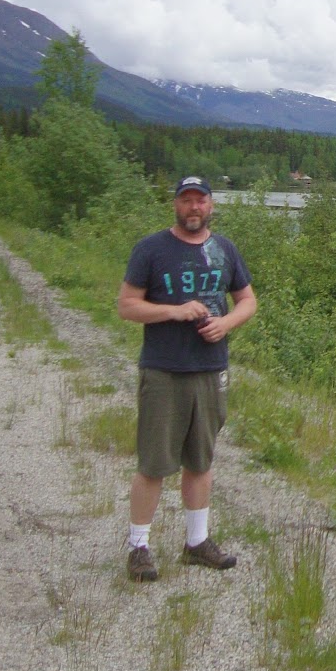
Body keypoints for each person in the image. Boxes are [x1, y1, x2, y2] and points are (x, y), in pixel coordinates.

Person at [117, 176, 257, 581]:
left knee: (201, 460)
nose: (193, 207)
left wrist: (226, 324)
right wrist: (174, 311)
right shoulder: (152, 249)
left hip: (210, 370)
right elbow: (127, 306)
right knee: (154, 463)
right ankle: (138, 547)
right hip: (163, 369)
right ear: (175, 205)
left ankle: (197, 543)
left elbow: (248, 300)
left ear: (211, 205)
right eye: (186, 201)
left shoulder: (225, 249)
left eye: (201, 201)